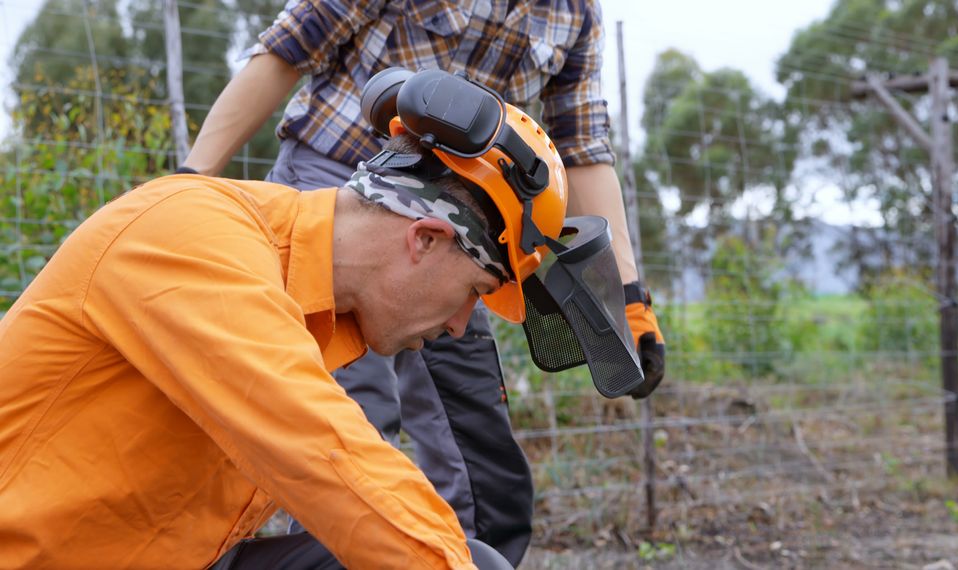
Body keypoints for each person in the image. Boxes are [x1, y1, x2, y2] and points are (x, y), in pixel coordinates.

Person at [0, 70, 634, 568]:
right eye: (475, 291)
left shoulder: (321, 310)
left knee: (470, 559)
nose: (461, 327)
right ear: (427, 239)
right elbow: (328, 460)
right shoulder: (190, 238)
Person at [182, 1, 667, 564]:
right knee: (347, 429)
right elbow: (289, 48)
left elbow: (582, 145)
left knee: (484, 461)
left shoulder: (574, 13)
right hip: (341, 189)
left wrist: (629, 297)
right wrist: (193, 178)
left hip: (463, 226)